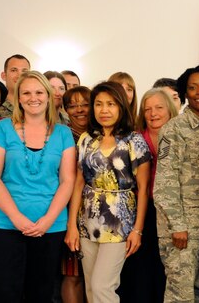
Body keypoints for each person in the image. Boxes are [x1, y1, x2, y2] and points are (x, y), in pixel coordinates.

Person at [0, 70, 76, 302]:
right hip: (4, 224)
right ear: (19, 98)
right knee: (3, 293)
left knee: (41, 294)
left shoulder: (63, 133)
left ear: (48, 95)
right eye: (26, 92)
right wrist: (16, 217)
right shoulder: (2, 129)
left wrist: (47, 221)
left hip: (50, 227)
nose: (33, 98)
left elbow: (67, 181)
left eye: (38, 92)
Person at [64, 82, 150, 302]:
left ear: (121, 106)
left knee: (103, 287)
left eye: (110, 104)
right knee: (91, 289)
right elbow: (78, 182)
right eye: (99, 104)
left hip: (119, 222)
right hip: (87, 221)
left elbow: (143, 189)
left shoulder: (134, 140)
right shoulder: (86, 139)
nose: (104, 110)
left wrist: (138, 230)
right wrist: (72, 225)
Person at [154, 65, 199, 302]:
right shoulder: (174, 128)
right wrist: (177, 226)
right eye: (192, 88)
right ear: (184, 92)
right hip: (181, 230)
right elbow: (165, 181)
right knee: (179, 295)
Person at [118, 87, 179, 303]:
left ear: (170, 109)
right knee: (139, 271)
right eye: (147, 109)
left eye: (159, 108)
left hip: (172, 212)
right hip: (141, 210)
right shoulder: (133, 139)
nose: (153, 113)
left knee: (166, 272)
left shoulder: (179, 137)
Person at [61, 85, 91, 303]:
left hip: (99, 214)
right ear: (65, 110)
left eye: (85, 104)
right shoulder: (61, 136)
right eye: (73, 106)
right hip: (69, 211)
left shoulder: (102, 135)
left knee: (97, 278)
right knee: (73, 274)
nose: (79, 110)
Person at [0, 54, 31, 119]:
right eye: (14, 70)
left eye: (24, 71)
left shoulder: (36, 104)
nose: (19, 75)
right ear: (4, 76)